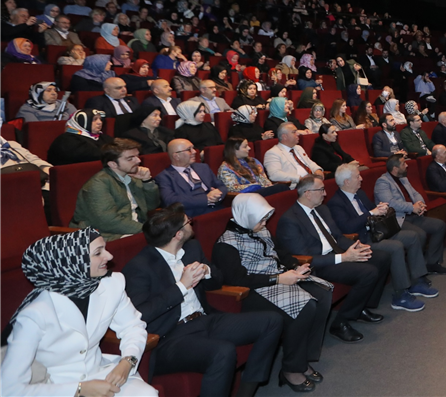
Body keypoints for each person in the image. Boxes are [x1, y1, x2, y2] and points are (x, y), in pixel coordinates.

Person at [122, 204, 283, 397]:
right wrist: (182, 286)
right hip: (170, 336)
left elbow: (218, 280)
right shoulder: (139, 267)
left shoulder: (191, 248)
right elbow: (141, 314)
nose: (192, 224)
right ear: (178, 234)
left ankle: (246, 391)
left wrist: (207, 272)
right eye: (188, 222)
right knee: (223, 351)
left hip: (205, 319)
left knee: (272, 321)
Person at [0, 229, 157, 397]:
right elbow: (8, 389)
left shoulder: (111, 284)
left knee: (146, 394)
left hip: (102, 374)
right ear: (71, 262)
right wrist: (79, 389)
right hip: (55, 386)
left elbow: (132, 327)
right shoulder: (35, 314)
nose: (110, 256)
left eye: (105, 248)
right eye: (98, 252)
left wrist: (128, 361)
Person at [214, 193, 334, 391]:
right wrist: (278, 279)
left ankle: (302, 358)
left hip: (279, 278)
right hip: (254, 291)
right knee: (306, 306)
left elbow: (282, 253)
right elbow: (237, 280)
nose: (265, 223)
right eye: (261, 219)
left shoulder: (259, 229)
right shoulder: (225, 244)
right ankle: (290, 369)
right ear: (246, 217)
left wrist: (296, 266)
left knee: (322, 293)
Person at [274, 177, 393, 340]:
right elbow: (304, 258)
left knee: (382, 257)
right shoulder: (290, 220)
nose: (325, 193)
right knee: (368, 272)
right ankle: (340, 322)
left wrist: (356, 246)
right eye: (321, 190)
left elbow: (337, 237)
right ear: (308, 193)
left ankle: (360, 308)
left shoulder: (322, 209)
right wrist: (343, 258)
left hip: (336, 254)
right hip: (319, 264)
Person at [327, 163, 437, 312]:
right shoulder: (336, 203)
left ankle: (416, 281)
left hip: (377, 232)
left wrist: (381, 209)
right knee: (396, 246)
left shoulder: (360, 194)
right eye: (357, 176)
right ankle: (400, 295)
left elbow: (373, 212)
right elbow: (347, 227)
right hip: (362, 240)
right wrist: (371, 213)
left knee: (413, 236)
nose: (361, 179)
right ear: (347, 182)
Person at [69, 138, 160, 241]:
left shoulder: (132, 176)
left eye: (137, 156)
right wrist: (148, 230)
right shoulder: (98, 184)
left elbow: (152, 206)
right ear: (113, 164)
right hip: (106, 235)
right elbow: (108, 222)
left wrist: (147, 181)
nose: (138, 161)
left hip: (133, 228)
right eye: (130, 158)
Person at [374, 155, 446, 274]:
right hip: (398, 219)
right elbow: (390, 203)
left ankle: (432, 263)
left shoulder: (403, 178)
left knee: (439, 225)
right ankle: (416, 272)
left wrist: (420, 204)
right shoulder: (383, 182)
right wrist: (412, 207)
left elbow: (415, 193)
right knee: (420, 234)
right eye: (404, 164)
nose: (407, 165)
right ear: (395, 168)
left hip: (413, 215)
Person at [155, 139, 228, 218]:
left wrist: (218, 193)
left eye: (193, 148)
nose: (194, 151)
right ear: (176, 156)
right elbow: (170, 201)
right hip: (193, 216)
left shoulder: (203, 167)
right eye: (189, 150)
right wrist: (206, 199)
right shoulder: (164, 177)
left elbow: (222, 186)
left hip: (217, 209)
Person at [263, 122, 323, 189]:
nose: (298, 134)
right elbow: (274, 175)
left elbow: (309, 162)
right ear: (284, 136)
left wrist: (317, 169)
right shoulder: (273, 153)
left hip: (311, 181)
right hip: (296, 186)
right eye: (294, 132)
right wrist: (298, 178)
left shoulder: (298, 148)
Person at [47, 109, 114, 166]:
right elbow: (92, 155)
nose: (99, 122)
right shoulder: (66, 140)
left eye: (100, 119)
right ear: (81, 121)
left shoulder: (103, 137)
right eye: (94, 119)